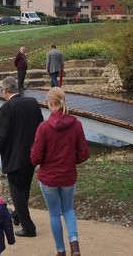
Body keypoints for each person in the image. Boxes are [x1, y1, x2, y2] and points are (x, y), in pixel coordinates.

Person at [31, 87, 90, 256]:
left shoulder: (43, 127)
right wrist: (71, 161)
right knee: (68, 209)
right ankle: (74, 242)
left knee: (55, 213)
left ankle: (60, 250)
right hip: (68, 176)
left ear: (49, 104)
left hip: (49, 178)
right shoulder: (76, 125)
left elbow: (35, 158)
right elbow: (83, 153)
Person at [0, 77, 44, 238]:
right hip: (31, 156)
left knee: (17, 192)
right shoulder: (32, 102)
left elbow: (2, 136)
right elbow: (41, 127)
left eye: (1, 90)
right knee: (24, 189)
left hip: (15, 157)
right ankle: (17, 215)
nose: (2, 93)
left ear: (6, 90)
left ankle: (28, 227)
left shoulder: (6, 108)